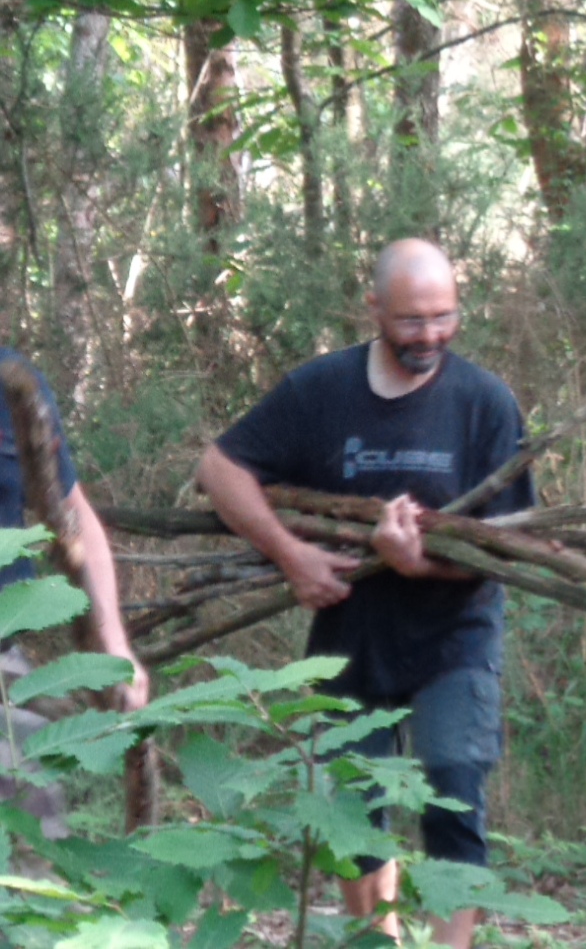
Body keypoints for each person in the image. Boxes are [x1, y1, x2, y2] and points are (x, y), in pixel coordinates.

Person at [196, 237, 535, 949]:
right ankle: (374, 938)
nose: (430, 335)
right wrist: (290, 555)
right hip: (350, 635)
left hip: (456, 636)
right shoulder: (320, 391)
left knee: (453, 792)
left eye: (444, 316)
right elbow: (220, 466)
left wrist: (418, 565)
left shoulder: (485, 402)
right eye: (412, 320)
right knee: (352, 805)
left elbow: (511, 547)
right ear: (373, 307)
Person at [0, 347, 150, 714]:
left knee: (35, 759)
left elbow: (76, 518)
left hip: (4, 649)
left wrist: (114, 645)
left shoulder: (14, 383)